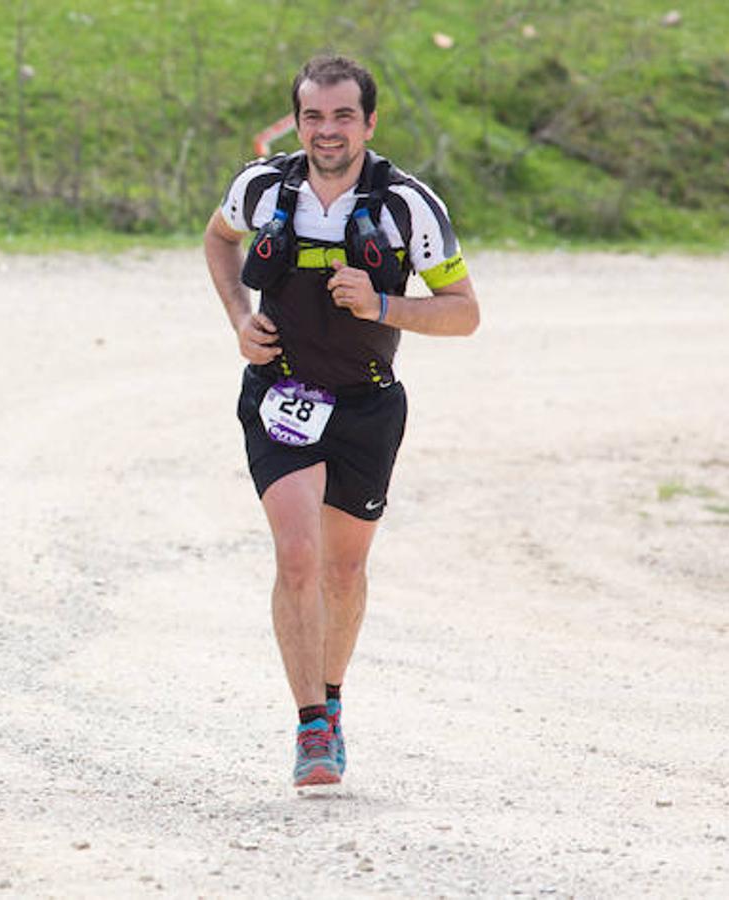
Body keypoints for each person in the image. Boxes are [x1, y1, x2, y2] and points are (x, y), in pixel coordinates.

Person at [201, 55, 480, 788]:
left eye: (342, 116)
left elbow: (464, 313)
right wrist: (238, 318)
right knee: (296, 555)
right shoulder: (260, 187)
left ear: (368, 122)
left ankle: (330, 695)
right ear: (295, 121)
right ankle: (311, 728)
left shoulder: (407, 206)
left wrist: (383, 305)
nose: (326, 130)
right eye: (313, 116)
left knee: (343, 569)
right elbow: (217, 240)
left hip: (365, 403)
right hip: (278, 394)